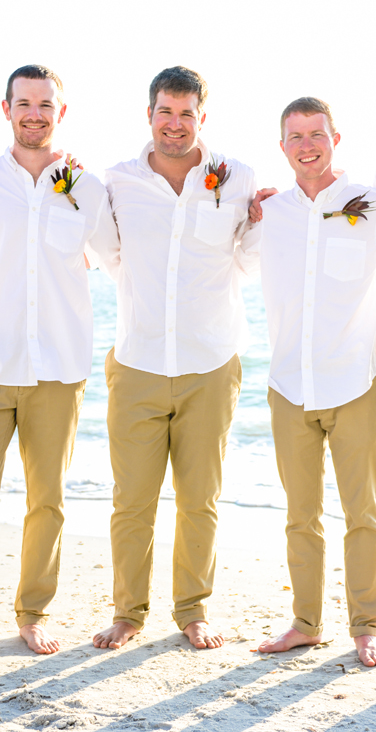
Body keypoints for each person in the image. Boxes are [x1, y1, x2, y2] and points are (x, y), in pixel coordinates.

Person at [91, 66, 270, 650]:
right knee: (132, 501)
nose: (175, 124)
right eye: (165, 113)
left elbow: (249, 256)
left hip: (211, 363)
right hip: (138, 360)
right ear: (149, 115)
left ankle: (193, 611)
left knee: (200, 499)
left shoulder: (237, 178)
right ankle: (128, 613)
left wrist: (272, 218)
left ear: (201, 116)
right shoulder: (117, 181)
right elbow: (108, 253)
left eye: (186, 114)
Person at [0, 65, 110, 660]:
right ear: (5, 108)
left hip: (59, 368)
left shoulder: (88, 186)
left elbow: (125, 256)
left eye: (45, 104)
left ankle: (33, 612)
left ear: (62, 111)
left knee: (49, 498)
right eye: (24, 103)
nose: (34, 113)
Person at [251, 98, 376, 667]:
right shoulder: (269, 213)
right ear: (282, 145)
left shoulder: (373, 203)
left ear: (336, 136)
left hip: (355, 381)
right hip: (289, 384)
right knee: (300, 514)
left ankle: (366, 627)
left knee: (363, 513)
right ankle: (306, 623)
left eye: (317, 134)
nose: (307, 144)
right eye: (295, 136)